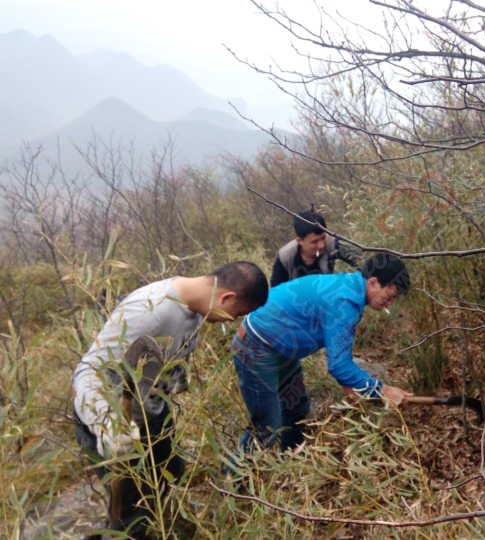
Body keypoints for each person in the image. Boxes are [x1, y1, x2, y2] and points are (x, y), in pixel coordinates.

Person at [72, 261, 269, 534]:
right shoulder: (147, 310)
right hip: (112, 421)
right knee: (131, 514)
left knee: (171, 472)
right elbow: (88, 372)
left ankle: (163, 525)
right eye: (236, 314)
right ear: (226, 297)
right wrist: (107, 425)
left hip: (151, 412)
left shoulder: (200, 305)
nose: (232, 321)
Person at [232, 253, 413, 454]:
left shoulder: (349, 287)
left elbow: (338, 353)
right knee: (267, 425)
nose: (390, 304)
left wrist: (351, 384)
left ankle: (290, 460)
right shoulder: (344, 302)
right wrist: (382, 389)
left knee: (296, 409)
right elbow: (339, 366)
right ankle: (235, 481)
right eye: (390, 296)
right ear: (373, 282)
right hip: (256, 347)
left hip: (280, 349)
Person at [270, 209, 363, 286]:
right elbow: (276, 292)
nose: (321, 245)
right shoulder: (285, 256)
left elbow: (362, 262)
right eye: (314, 242)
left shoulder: (332, 243)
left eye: (323, 238)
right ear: (300, 241)